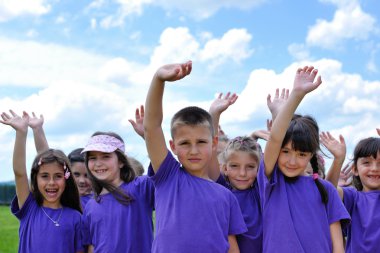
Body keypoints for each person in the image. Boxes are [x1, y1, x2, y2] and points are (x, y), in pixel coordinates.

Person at [144, 60, 247, 253]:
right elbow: (152, 127)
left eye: (201, 142)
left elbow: (230, 243)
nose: (193, 151)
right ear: (173, 146)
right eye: (185, 143)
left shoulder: (226, 196)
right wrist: (159, 79)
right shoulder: (169, 177)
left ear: (214, 143)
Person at [257, 66, 350, 253]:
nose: (292, 161)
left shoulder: (326, 190)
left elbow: (337, 244)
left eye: (301, 154)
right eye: (285, 152)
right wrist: (297, 95)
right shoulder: (270, 181)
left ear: (311, 155)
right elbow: (275, 138)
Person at [0, 110, 83, 253]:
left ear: (66, 178)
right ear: (35, 179)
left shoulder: (76, 217)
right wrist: (21, 133)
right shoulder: (29, 208)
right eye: (44, 176)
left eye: (58, 176)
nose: (51, 182)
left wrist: (37, 130)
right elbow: (19, 173)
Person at [80, 131, 155, 253]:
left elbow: (162, 169)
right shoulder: (90, 205)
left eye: (106, 156)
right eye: (92, 158)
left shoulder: (140, 188)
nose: (98, 163)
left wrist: (149, 135)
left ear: (121, 162)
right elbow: (91, 246)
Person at [321, 131, 380, 253]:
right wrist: (338, 160)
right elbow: (328, 191)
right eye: (367, 163)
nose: (374, 169)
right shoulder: (353, 197)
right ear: (355, 169)